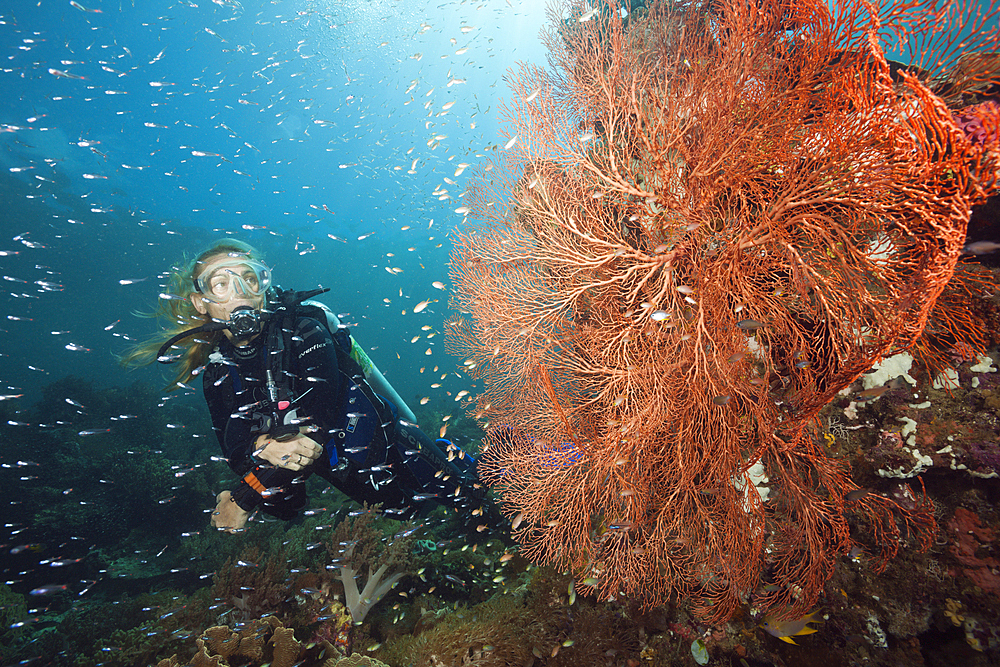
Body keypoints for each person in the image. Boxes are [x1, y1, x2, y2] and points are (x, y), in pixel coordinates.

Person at [124, 239, 496, 536]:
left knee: (482, 506)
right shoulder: (218, 373)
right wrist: (259, 448)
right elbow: (235, 448)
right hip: (353, 475)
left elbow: (317, 425)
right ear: (201, 303)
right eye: (221, 284)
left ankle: (505, 464)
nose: (239, 292)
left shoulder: (305, 331)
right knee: (396, 509)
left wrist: (243, 497)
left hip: (395, 447)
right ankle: (494, 460)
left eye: (249, 279)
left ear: (263, 286)